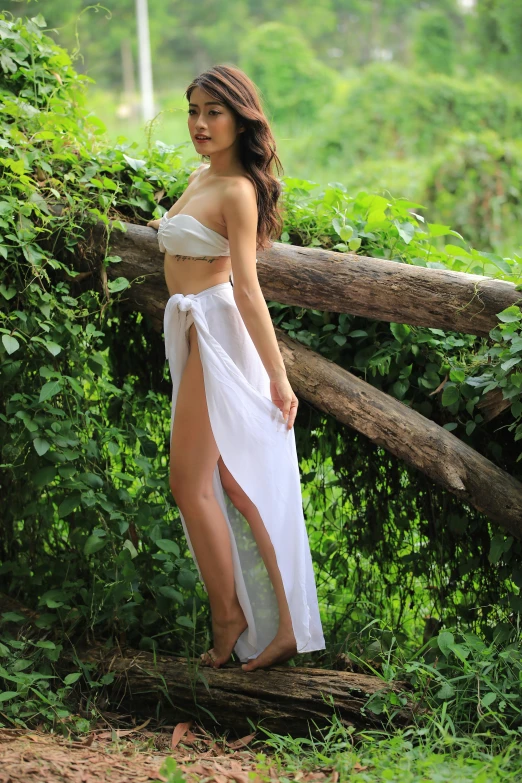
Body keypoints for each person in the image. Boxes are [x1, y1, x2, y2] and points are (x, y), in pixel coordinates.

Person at [148, 65, 325, 672]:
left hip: (219, 332)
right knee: (233, 484)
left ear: (241, 118)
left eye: (212, 112)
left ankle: (234, 619)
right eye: (192, 110)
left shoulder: (238, 191)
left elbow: (248, 289)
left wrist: (279, 378)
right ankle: (275, 625)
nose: (199, 123)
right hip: (194, 328)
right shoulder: (202, 176)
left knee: (193, 482)